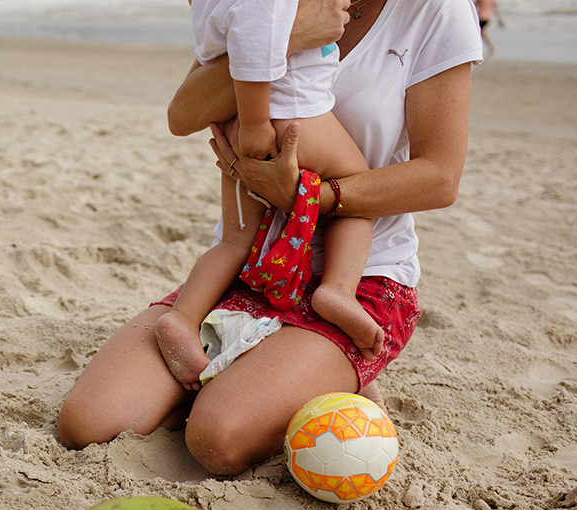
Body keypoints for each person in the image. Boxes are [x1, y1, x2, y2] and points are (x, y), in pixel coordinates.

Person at [57, 0, 482, 476]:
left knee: (216, 439)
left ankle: (305, 372)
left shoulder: (435, 11)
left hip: (360, 277)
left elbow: (440, 178)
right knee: (88, 425)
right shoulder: (270, 3)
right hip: (250, 267)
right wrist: (282, 38)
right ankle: (277, 375)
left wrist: (310, 197)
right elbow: (184, 115)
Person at [156, 0, 380, 392]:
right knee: (357, 184)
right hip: (292, 113)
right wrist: (258, 125)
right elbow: (254, 37)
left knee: (233, 240)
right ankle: (338, 289)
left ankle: (183, 317)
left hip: (235, 121)